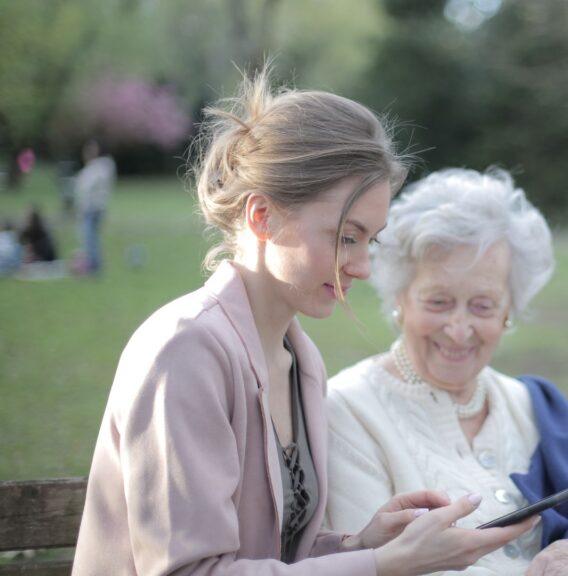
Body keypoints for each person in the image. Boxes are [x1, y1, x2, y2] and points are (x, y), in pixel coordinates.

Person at [72, 71, 534, 576]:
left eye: (370, 241)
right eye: (344, 237)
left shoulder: (300, 359)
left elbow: (274, 557)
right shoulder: (184, 350)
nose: (361, 267)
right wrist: (380, 565)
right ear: (262, 216)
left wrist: (361, 542)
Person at [324, 168, 568, 576]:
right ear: (400, 298)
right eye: (439, 302)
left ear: (509, 310)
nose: (460, 330)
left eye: (482, 306)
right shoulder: (348, 412)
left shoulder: (534, 408)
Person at [73, 139, 116, 274]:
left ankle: (93, 266)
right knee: (90, 238)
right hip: (91, 208)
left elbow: (86, 187)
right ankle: (93, 264)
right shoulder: (96, 168)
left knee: (89, 238)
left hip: (93, 209)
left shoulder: (100, 167)